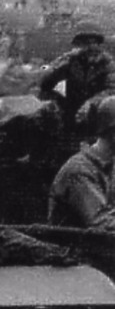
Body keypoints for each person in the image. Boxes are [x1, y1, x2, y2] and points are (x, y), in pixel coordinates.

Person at [48, 94, 115, 228]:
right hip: (72, 247)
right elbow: (103, 224)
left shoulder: (109, 165)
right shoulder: (79, 171)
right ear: (112, 133)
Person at [38, 20, 115, 130]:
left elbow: (112, 90)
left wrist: (91, 103)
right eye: (86, 43)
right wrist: (63, 62)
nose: (91, 47)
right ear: (78, 45)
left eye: (94, 43)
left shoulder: (107, 63)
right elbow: (44, 81)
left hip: (96, 115)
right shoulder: (70, 60)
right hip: (69, 111)